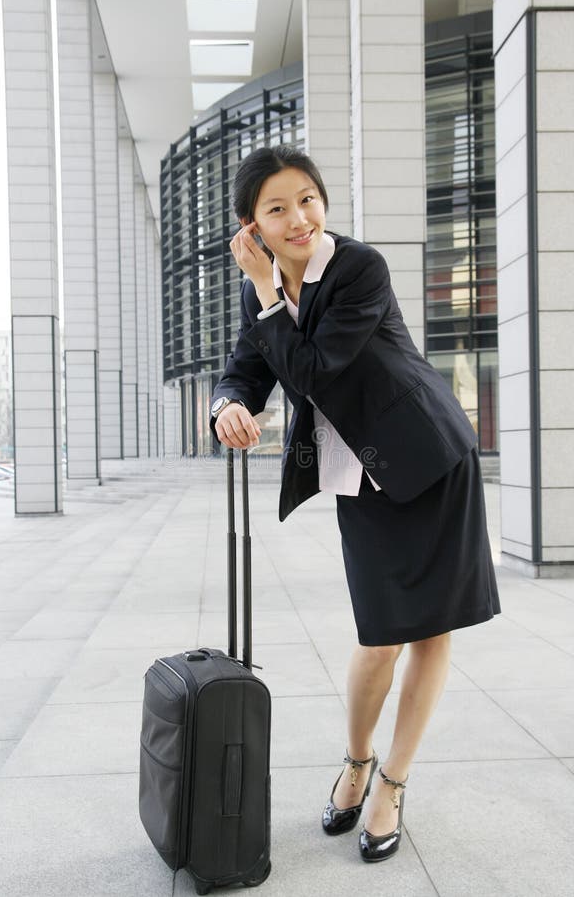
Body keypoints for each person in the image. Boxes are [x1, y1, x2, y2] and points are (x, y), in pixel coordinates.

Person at [210, 145, 500, 863]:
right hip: (359, 476)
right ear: (253, 224)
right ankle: (357, 758)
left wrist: (269, 295)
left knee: (430, 631)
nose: (299, 217)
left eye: (307, 198)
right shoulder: (261, 285)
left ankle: (391, 783)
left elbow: (311, 369)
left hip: (429, 461)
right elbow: (249, 366)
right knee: (379, 637)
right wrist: (225, 404)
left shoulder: (360, 269)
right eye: (277, 208)